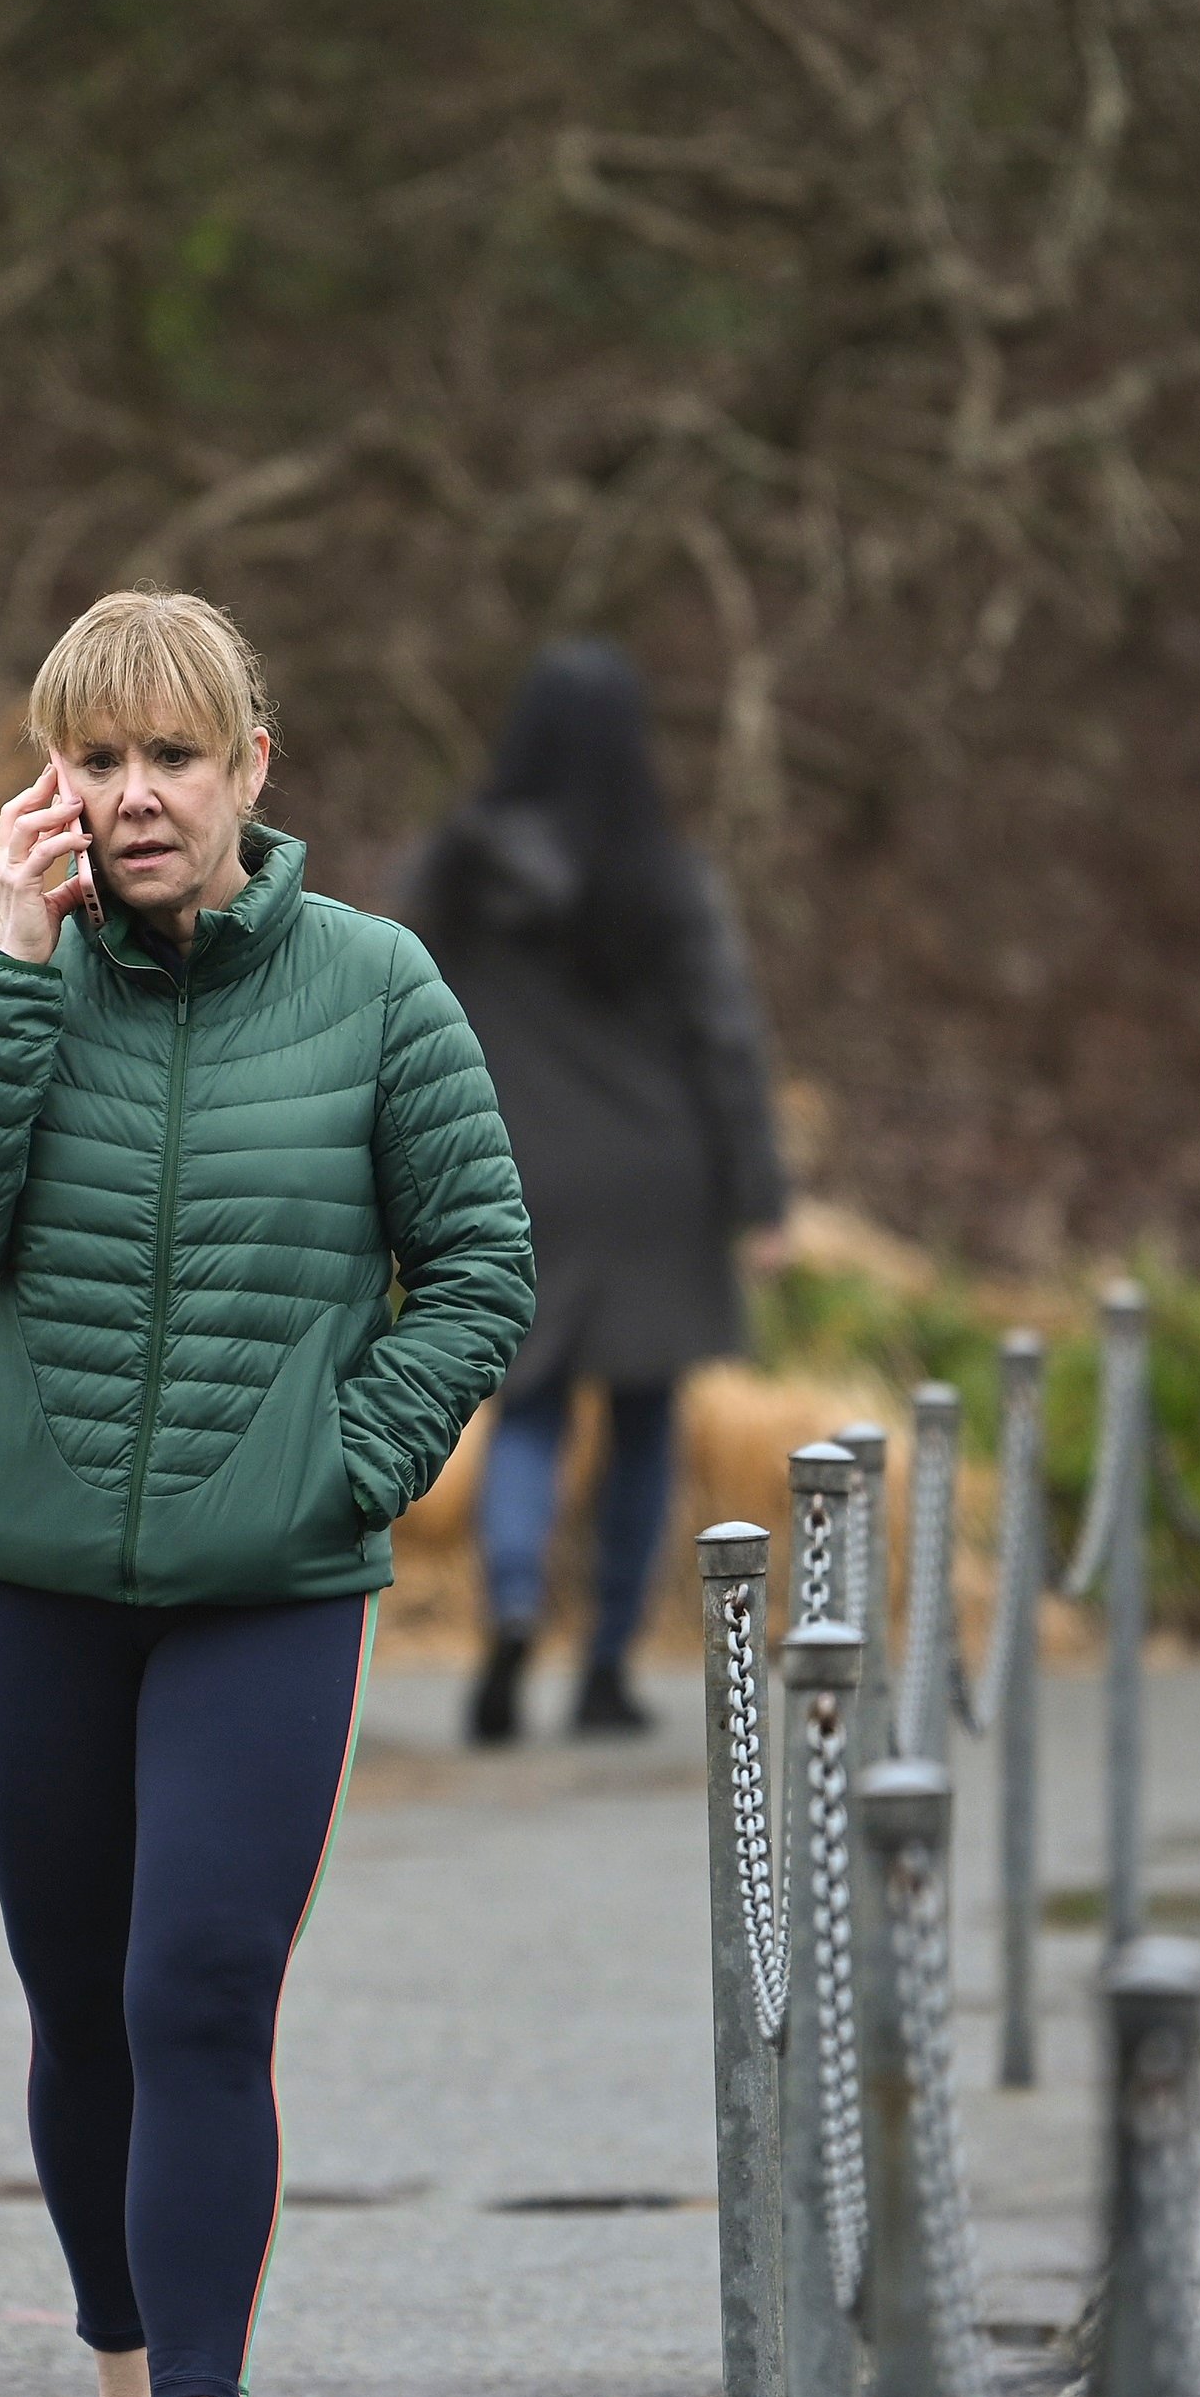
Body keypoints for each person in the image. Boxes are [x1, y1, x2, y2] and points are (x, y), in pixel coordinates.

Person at [0, 590, 531, 2397]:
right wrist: (5, 961)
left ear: (255, 767)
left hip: (268, 1590)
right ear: (49, 782)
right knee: (81, 2002)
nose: (136, 794)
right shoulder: (16, 984)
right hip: (32, 1575)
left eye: (175, 754)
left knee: (198, 1989)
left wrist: (335, 1466)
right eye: (97, 757)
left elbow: (485, 1268)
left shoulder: (377, 987)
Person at [408, 639, 787, 1743]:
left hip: (522, 1174)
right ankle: (608, 1664)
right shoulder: (661, 873)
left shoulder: (454, 874)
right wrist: (758, 1196)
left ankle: (515, 1603)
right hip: (655, 1182)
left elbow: (405, 1020)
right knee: (644, 1421)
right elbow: (724, 1039)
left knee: (522, 1404)